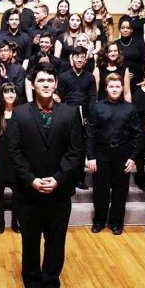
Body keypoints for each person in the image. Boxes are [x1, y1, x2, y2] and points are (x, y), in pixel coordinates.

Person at [8, 62, 83, 288]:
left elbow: (75, 153)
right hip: (28, 192)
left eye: (50, 81)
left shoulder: (71, 113)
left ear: (56, 84)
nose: (46, 85)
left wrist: (58, 179)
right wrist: (32, 179)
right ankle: (32, 287)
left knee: (55, 242)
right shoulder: (19, 114)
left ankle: (51, 287)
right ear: (32, 84)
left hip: (58, 192)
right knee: (29, 242)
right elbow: (15, 152)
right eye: (41, 81)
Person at [86, 73, 140, 235]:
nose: (115, 89)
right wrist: (91, 157)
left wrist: (133, 157)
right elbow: (90, 133)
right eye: (111, 86)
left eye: (117, 86)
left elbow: (137, 135)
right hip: (101, 153)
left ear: (122, 88)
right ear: (106, 88)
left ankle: (116, 223)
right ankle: (99, 221)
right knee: (100, 190)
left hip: (122, 154)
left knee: (120, 190)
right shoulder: (96, 107)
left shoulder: (130, 108)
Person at [58, 46, 96, 190]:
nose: (80, 59)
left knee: (80, 148)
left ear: (86, 59)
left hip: (84, 116)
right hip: (68, 115)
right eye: (77, 56)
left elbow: (93, 98)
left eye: (82, 57)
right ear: (72, 58)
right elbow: (60, 98)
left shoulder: (90, 77)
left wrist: (89, 116)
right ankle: (66, 177)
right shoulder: (64, 76)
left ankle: (80, 179)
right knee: (67, 147)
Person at [0, 83, 21, 234]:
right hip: (0, 157)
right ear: (2, 95)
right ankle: (1, 224)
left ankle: (15, 224)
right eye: (7, 92)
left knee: (18, 194)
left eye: (12, 92)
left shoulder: (21, 112)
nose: (10, 95)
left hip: (16, 158)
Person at [117, 15, 145, 93]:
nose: (125, 30)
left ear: (131, 30)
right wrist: (124, 74)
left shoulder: (139, 43)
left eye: (128, 28)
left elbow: (144, 62)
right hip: (120, 78)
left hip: (138, 78)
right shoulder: (116, 44)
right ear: (119, 29)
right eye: (123, 28)